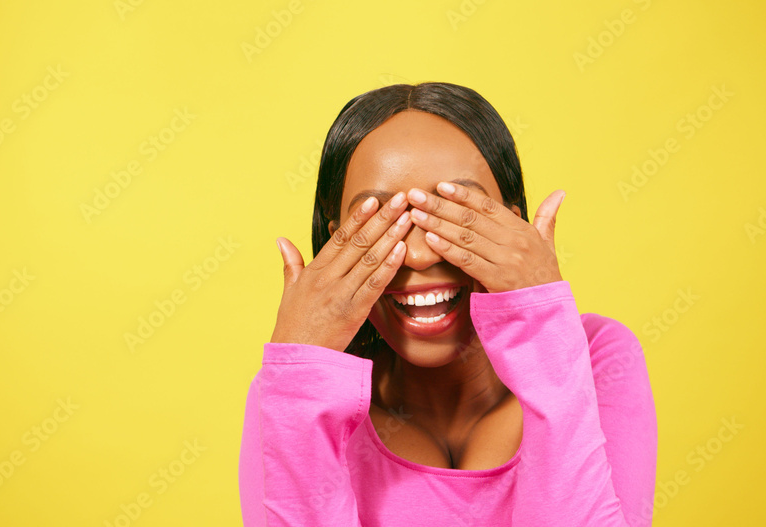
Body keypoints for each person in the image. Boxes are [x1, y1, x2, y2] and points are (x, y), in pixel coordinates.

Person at [239, 82, 657, 526]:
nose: (419, 255)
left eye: (454, 214)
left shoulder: (598, 356)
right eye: (382, 221)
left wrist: (542, 325)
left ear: (513, 225)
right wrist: (301, 376)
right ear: (336, 240)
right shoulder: (289, 392)